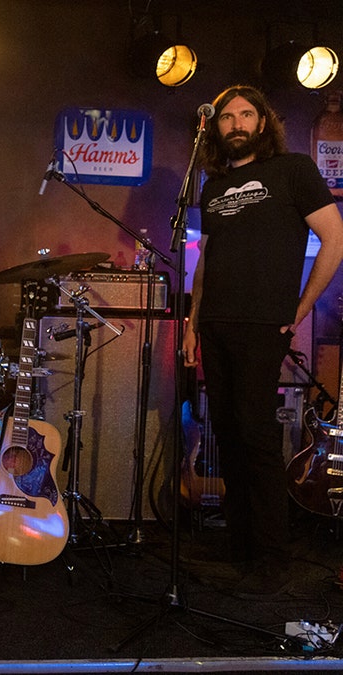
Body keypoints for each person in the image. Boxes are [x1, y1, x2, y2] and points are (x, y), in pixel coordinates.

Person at [183, 85, 343, 597]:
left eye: (245, 114)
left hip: (262, 324)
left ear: (263, 122)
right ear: (216, 127)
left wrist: (300, 308)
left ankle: (273, 561)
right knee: (225, 437)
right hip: (216, 325)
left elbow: (335, 239)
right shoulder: (212, 186)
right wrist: (192, 321)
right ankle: (241, 550)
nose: (235, 124)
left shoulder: (293, 170)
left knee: (254, 437)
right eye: (227, 117)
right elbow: (205, 260)